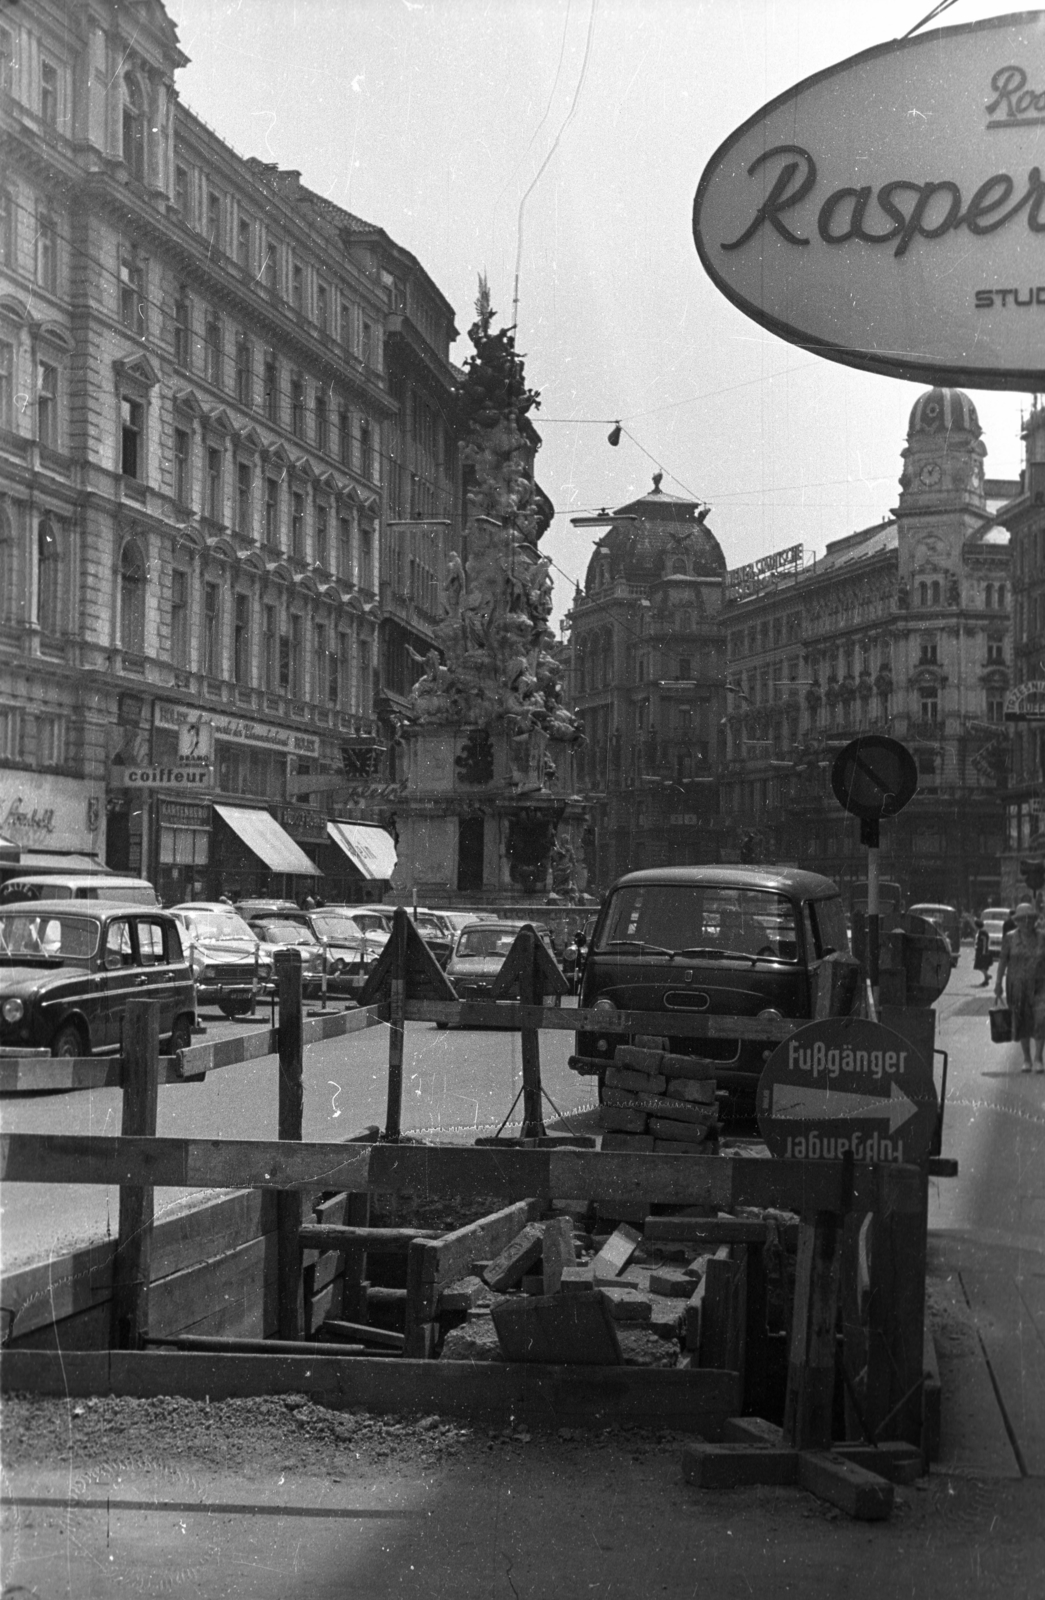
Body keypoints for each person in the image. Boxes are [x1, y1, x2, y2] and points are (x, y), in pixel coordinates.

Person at [994, 902, 1045, 1072]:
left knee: (1040, 1021)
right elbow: (1002, 960)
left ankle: (1038, 1058)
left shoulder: (1042, 937)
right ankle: (1027, 1059)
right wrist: (998, 983)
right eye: (1023, 919)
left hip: (1040, 985)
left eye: (1030, 918)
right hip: (1017, 986)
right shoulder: (1010, 938)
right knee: (1022, 1023)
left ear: (1035, 920)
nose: (1027, 922)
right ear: (1017, 921)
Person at [973, 918, 993, 986]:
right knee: (981, 966)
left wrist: (984, 951)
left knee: (981, 966)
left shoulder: (983, 933)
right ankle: (986, 977)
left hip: (982, 951)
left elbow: (984, 943)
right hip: (980, 951)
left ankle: (986, 977)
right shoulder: (980, 932)